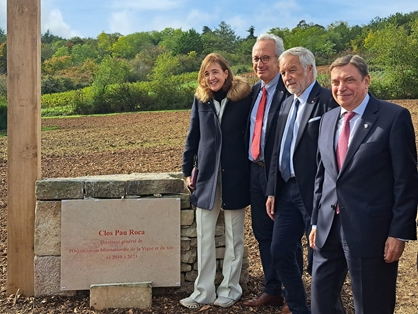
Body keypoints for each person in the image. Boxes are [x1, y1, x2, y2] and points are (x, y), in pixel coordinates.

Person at [309, 54, 418, 314]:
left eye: (349, 80)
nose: (341, 87)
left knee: (372, 306)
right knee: (321, 304)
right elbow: (322, 176)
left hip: (372, 233)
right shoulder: (327, 119)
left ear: (366, 81)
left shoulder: (393, 118)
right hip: (328, 230)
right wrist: (315, 221)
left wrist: (398, 233)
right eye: (335, 82)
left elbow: (406, 180)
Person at [265, 47, 338, 314]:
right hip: (286, 191)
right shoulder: (286, 103)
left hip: (316, 193)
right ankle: (297, 307)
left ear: (309, 69)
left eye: (292, 70)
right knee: (280, 251)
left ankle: (329, 308)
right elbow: (276, 150)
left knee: (321, 257)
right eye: (283, 72)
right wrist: (272, 190)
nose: (287, 77)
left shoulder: (328, 102)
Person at [180, 53, 252, 309]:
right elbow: (193, 136)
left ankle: (230, 289)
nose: (211, 78)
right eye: (206, 73)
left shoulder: (245, 98)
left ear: (226, 73)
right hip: (207, 177)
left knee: (235, 235)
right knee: (204, 234)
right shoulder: (201, 100)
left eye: (215, 72)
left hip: (235, 175)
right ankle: (203, 292)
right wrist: (187, 169)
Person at [242, 34, 290, 308]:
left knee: (285, 237)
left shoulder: (288, 92)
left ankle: (292, 295)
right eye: (256, 58)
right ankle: (272, 289)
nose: (260, 63)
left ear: (279, 60)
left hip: (279, 176)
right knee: (262, 233)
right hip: (254, 173)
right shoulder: (251, 93)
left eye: (266, 58)